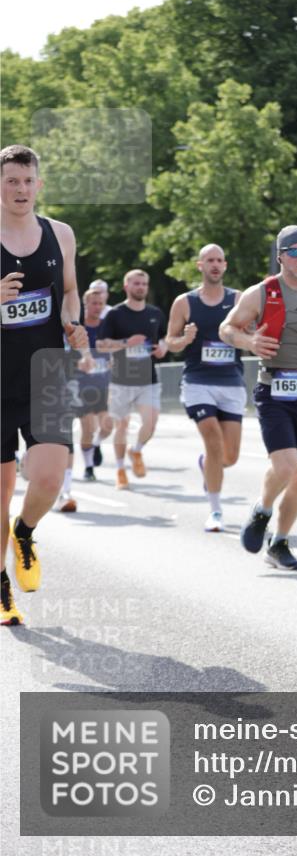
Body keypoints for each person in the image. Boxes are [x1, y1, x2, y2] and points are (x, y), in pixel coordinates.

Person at [1, 144, 88, 626]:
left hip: (48, 370)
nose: (20, 189)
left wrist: (72, 322)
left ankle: (26, 531)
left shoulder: (60, 234)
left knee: (50, 476)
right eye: (11, 180)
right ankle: (1, 588)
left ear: (39, 183)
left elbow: (69, 291)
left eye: (27, 180)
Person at [220, 225, 297, 570]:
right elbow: (226, 329)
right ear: (281, 257)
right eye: (295, 251)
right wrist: (249, 342)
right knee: (285, 465)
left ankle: (280, 542)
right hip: (273, 387)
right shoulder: (260, 293)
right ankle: (262, 509)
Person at [166, 244, 245, 531]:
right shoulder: (184, 303)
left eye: (219, 260)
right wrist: (184, 340)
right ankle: (215, 511)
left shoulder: (239, 299)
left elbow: (251, 332)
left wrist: (247, 334)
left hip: (231, 383)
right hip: (198, 382)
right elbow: (169, 342)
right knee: (213, 440)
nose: (215, 265)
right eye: (209, 260)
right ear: (200, 265)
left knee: (229, 456)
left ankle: (207, 465)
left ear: (225, 265)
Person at [95, 269, 167, 489]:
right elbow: (100, 345)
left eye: (144, 284)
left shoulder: (155, 313)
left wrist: (163, 347)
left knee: (151, 422)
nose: (141, 287)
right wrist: (127, 343)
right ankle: (119, 470)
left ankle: (135, 451)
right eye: (136, 283)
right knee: (122, 426)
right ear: (126, 286)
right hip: (121, 379)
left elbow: (164, 338)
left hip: (148, 378)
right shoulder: (115, 314)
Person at [75, 288, 113, 480]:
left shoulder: (108, 327)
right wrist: (77, 361)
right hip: (82, 386)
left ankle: (96, 445)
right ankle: (89, 468)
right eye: (94, 303)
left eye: (100, 304)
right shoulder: (77, 328)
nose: (98, 307)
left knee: (107, 427)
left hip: (104, 385)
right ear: (85, 305)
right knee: (88, 428)